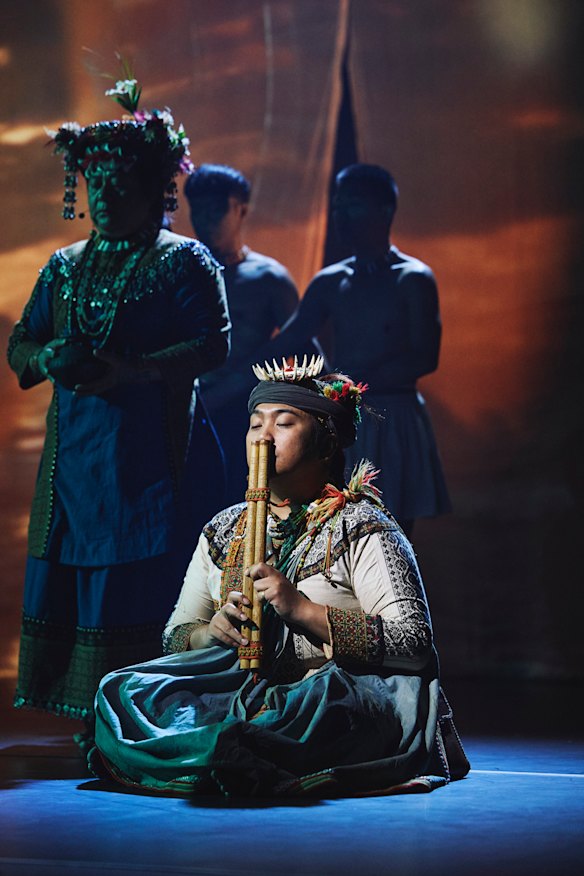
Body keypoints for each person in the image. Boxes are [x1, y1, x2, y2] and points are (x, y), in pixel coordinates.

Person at [90, 355, 468, 798]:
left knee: (320, 706)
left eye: (283, 423)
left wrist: (303, 611)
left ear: (326, 446)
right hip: (241, 692)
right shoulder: (224, 528)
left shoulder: (363, 526)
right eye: (255, 424)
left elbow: (415, 642)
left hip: (332, 692)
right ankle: (238, 747)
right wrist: (209, 635)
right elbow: (175, 635)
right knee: (122, 690)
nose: (262, 439)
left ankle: (237, 750)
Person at [6, 74, 230, 733]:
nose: (104, 196)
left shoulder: (184, 261)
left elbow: (213, 345)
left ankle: (148, 713)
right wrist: (45, 359)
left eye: (119, 184)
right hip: (75, 452)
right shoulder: (64, 264)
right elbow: (24, 338)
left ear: (154, 189)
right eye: (94, 185)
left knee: (143, 573)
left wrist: (130, 371)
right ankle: (88, 716)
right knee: (76, 564)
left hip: (148, 450)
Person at [209, 164, 451, 538]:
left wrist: (347, 385)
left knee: (395, 534)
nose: (341, 215)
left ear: (385, 209)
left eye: (352, 205)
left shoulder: (413, 279)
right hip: (345, 420)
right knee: (338, 529)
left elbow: (423, 357)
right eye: (338, 205)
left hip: (394, 417)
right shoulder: (330, 282)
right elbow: (286, 342)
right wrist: (229, 378)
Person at [184, 163, 307, 505]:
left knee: (240, 510)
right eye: (199, 210)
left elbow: (308, 352)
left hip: (244, 416)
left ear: (241, 210)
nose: (206, 221)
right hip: (184, 413)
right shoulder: (179, 271)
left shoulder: (268, 278)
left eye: (216, 210)